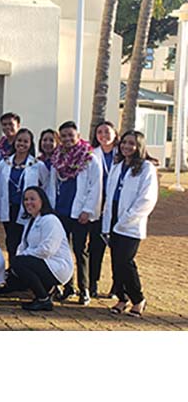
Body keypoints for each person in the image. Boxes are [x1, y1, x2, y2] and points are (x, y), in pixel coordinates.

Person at [104, 131, 159, 318]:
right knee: (115, 263)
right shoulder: (118, 166)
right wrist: (108, 223)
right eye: (124, 143)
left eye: (132, 144)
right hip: (113, 221)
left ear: (139, 147)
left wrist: (127, 218)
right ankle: (121, 298)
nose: (127, 147)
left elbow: (147, 199)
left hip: (130, 224)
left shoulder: (146, 168)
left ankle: (138, 299)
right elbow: (110, 195)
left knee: (126, 262)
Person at [46, 121, 102, 305]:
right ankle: (68, 286)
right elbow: (51, 185)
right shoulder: (57, 158)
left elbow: (95, 187)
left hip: (79, 213)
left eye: (71, 135)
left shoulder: (89, 158)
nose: (68, 139)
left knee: (80, 250)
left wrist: (87, 210)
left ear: (78, 136)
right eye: (64, 136)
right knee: (62, 251)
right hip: (60, 211)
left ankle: (84, 288)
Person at [10, 187, 74, 311]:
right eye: (26, 199)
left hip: (57, 266)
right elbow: (23, 245)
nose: (28, 202)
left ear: (42, 201)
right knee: (13, 276)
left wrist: (22, 257)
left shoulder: (50, 220)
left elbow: (47, 249)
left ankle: (43, 299)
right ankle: (47, 290)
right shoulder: (31, 221)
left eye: (32, 199)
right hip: (42, 262)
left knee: (18, 263)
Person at [0, 128, 45, 264]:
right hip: (9, 209)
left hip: (28, 209)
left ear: (31, 144)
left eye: (26, 141)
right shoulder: (4, 164)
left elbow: (45, 186)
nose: (22, 144)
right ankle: (12, 270)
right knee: (11, 242)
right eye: (19, 140)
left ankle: (24, 271)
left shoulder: (37, 165)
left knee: (26, 241)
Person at [90, 120, 119, 297]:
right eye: (99, 132)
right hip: (98, 207)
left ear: (115, 134)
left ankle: (117, 286)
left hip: (116, 207)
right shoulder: (92, 154)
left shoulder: (122, 154)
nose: (103, 135)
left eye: (107, 131)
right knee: (95, 247)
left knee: (118, 249)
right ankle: (92, 283)